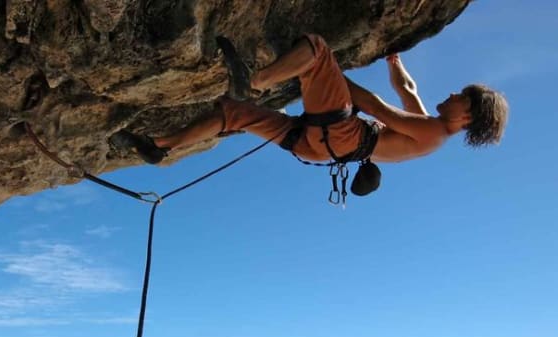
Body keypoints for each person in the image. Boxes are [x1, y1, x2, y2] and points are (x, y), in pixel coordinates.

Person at [109, 34, 508, 177]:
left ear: (467, 116)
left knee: (317, 49)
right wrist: (394, 60)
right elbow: (407, 90)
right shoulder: (428, 124)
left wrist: (328, 74)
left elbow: (375, 107)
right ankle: (159, 146)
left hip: (343, 133)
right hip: (318, 146)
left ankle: (258, 80)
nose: (453, 95)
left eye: (461, 97)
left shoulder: (436, 133)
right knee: (233, 114)